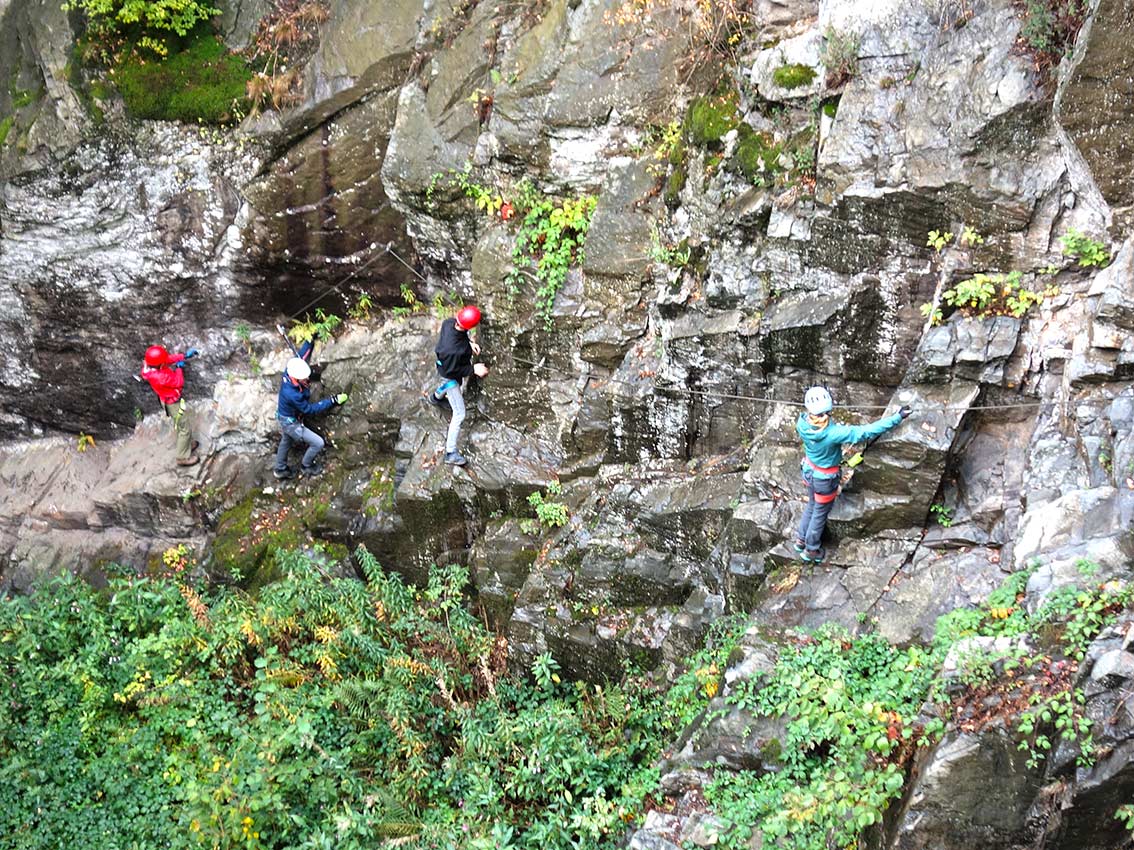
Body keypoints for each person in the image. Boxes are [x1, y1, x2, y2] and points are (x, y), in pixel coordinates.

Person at [794, 386, 911, 563]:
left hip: (809, 471)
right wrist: (897, 417)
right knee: (819, 512)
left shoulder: (802, 423)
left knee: (812, 505)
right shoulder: (834, 433)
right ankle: (811, 550)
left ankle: (801, 540)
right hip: (825, 479)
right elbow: (865, 432)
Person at [424, 305, 488, 467]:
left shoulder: (449, 322)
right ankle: (450, 453)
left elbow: (461, 333)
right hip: (449, 374)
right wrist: (474, 369)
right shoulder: (453, 351)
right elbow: (453, 370)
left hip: (443, 367)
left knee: (447, 382)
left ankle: (435, 398)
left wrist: (470, 343)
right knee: (459, 413)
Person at [274, 356, 347, 479]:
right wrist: (332, 400)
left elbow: (302, 353)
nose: (307, 379)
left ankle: (279, 469)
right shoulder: (293, 394)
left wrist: (310, 344)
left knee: (286, 441)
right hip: (291, 424)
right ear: (296, 378)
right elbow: (309, 409)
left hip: (285, 417)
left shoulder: (289, 371)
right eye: (304, 377)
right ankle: (306, 466)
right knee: (318, 443)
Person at [140, 344, 200, 468]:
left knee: (181, 424)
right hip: (172, 403)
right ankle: (182, 457)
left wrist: (183, 356)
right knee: (184, 428)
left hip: (166, 400)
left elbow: (167, 360)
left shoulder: (151, 367)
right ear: (160, 364)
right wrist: (178, 368)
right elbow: (178, 382)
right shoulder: (160, 377)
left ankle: (186, 444)